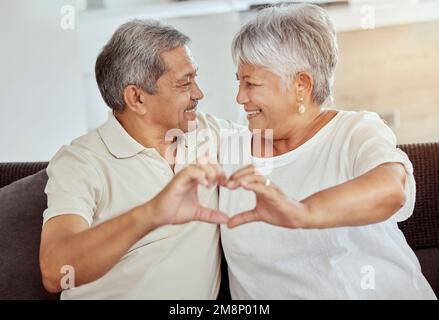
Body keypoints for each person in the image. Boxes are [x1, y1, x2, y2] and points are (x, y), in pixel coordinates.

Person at [219, 3, 436, 299]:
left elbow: (392, 189)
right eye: (239, 82)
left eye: (251, 83)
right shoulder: (228, 148)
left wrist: (301, 213)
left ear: (301, 85)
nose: (240, 97)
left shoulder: (356, 131)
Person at [39, 20, 231, 299]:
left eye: (195, 78)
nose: (198, 93)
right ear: (137, 98)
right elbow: (56, 271)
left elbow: (285, 138)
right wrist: (153, 213)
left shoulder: (208, 132)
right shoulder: (81, 162)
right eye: (185, 83)